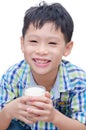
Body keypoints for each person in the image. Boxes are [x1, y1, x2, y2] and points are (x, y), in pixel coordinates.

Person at [0, 1, 86, 130]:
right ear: (22, 44)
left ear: (67, 48)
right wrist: (8, 111)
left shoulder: (78, 80)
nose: (41, 50)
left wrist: (54, 117)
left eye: (52, 43)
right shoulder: (13, 76)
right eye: (34, 41)